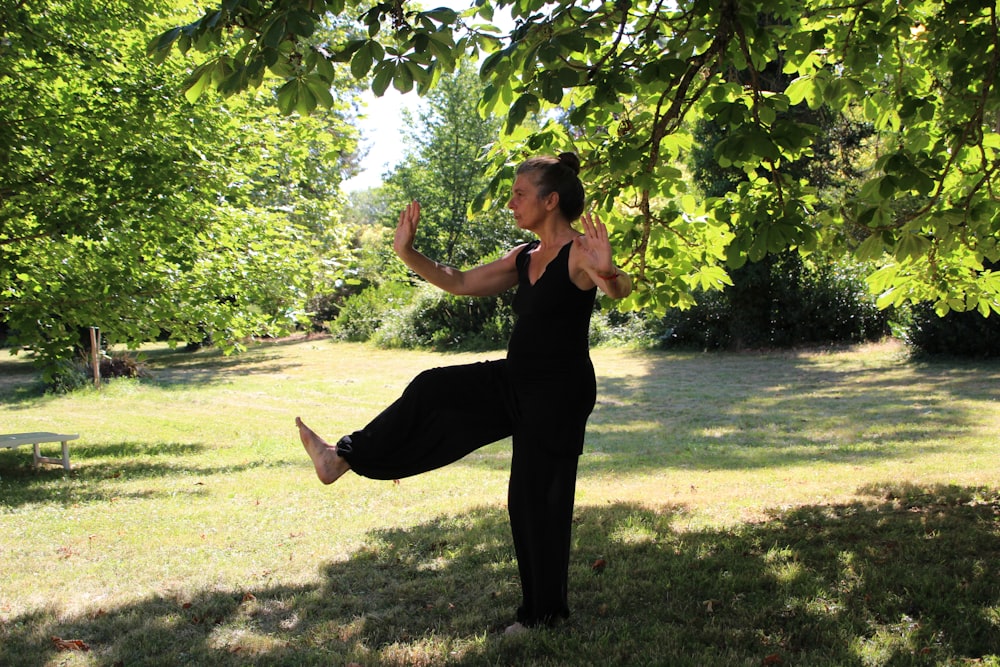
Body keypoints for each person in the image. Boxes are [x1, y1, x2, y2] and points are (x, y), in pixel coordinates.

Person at [296, 151, 632, 633]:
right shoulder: (525, 257)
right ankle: (341, 458)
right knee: (434, 388)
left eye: (519, 194)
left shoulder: (581, 251)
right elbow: (459, 281)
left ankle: (543, 616)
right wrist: (406, 253)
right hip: (516, 379)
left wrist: (610, 272)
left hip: (558, 392)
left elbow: (616, 291)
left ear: (550, 200)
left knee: (535, 499)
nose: (512, 203)